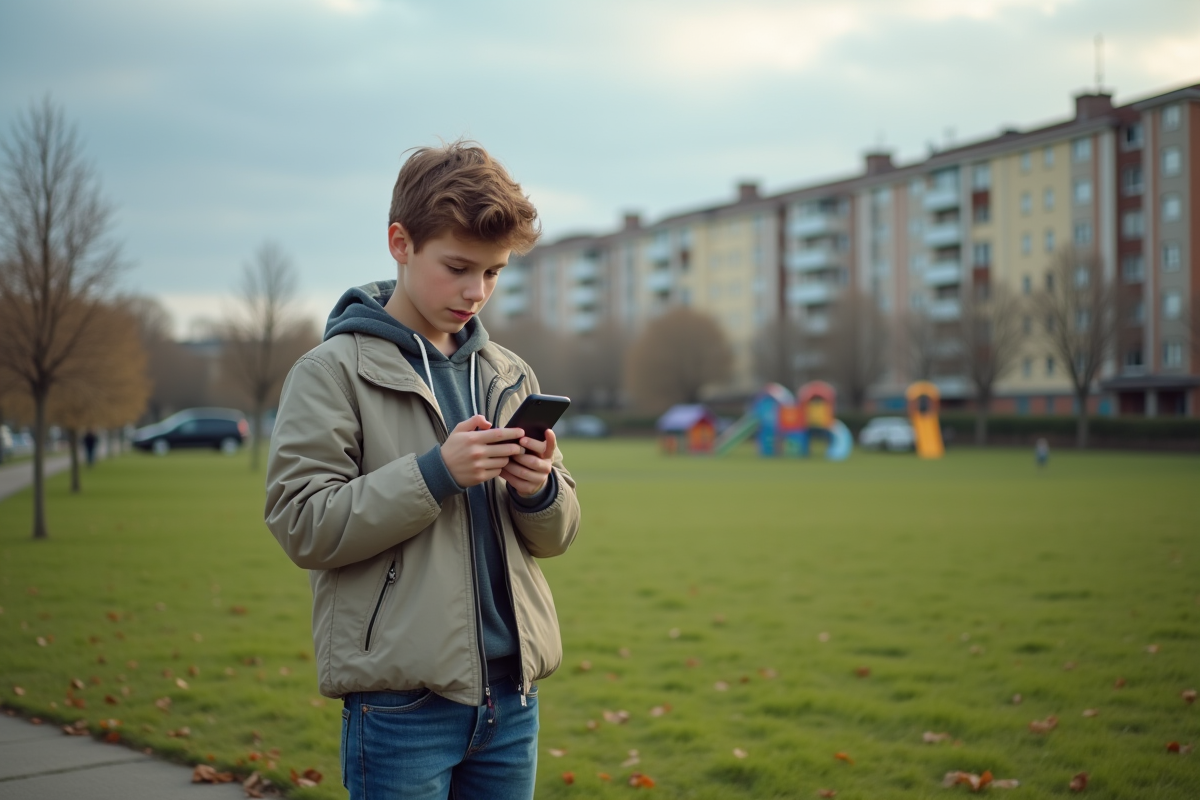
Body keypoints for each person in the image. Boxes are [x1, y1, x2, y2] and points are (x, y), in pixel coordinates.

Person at [264, 141, 580, 800]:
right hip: (402, 708)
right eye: (459, 267)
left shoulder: (509, 373)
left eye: (494, 273)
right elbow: (302, 524)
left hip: (511, 704)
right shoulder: (331, 373)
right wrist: (436, 473)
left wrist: (539, 489)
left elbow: (556, 536)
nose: (476, 292)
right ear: (400, 243)